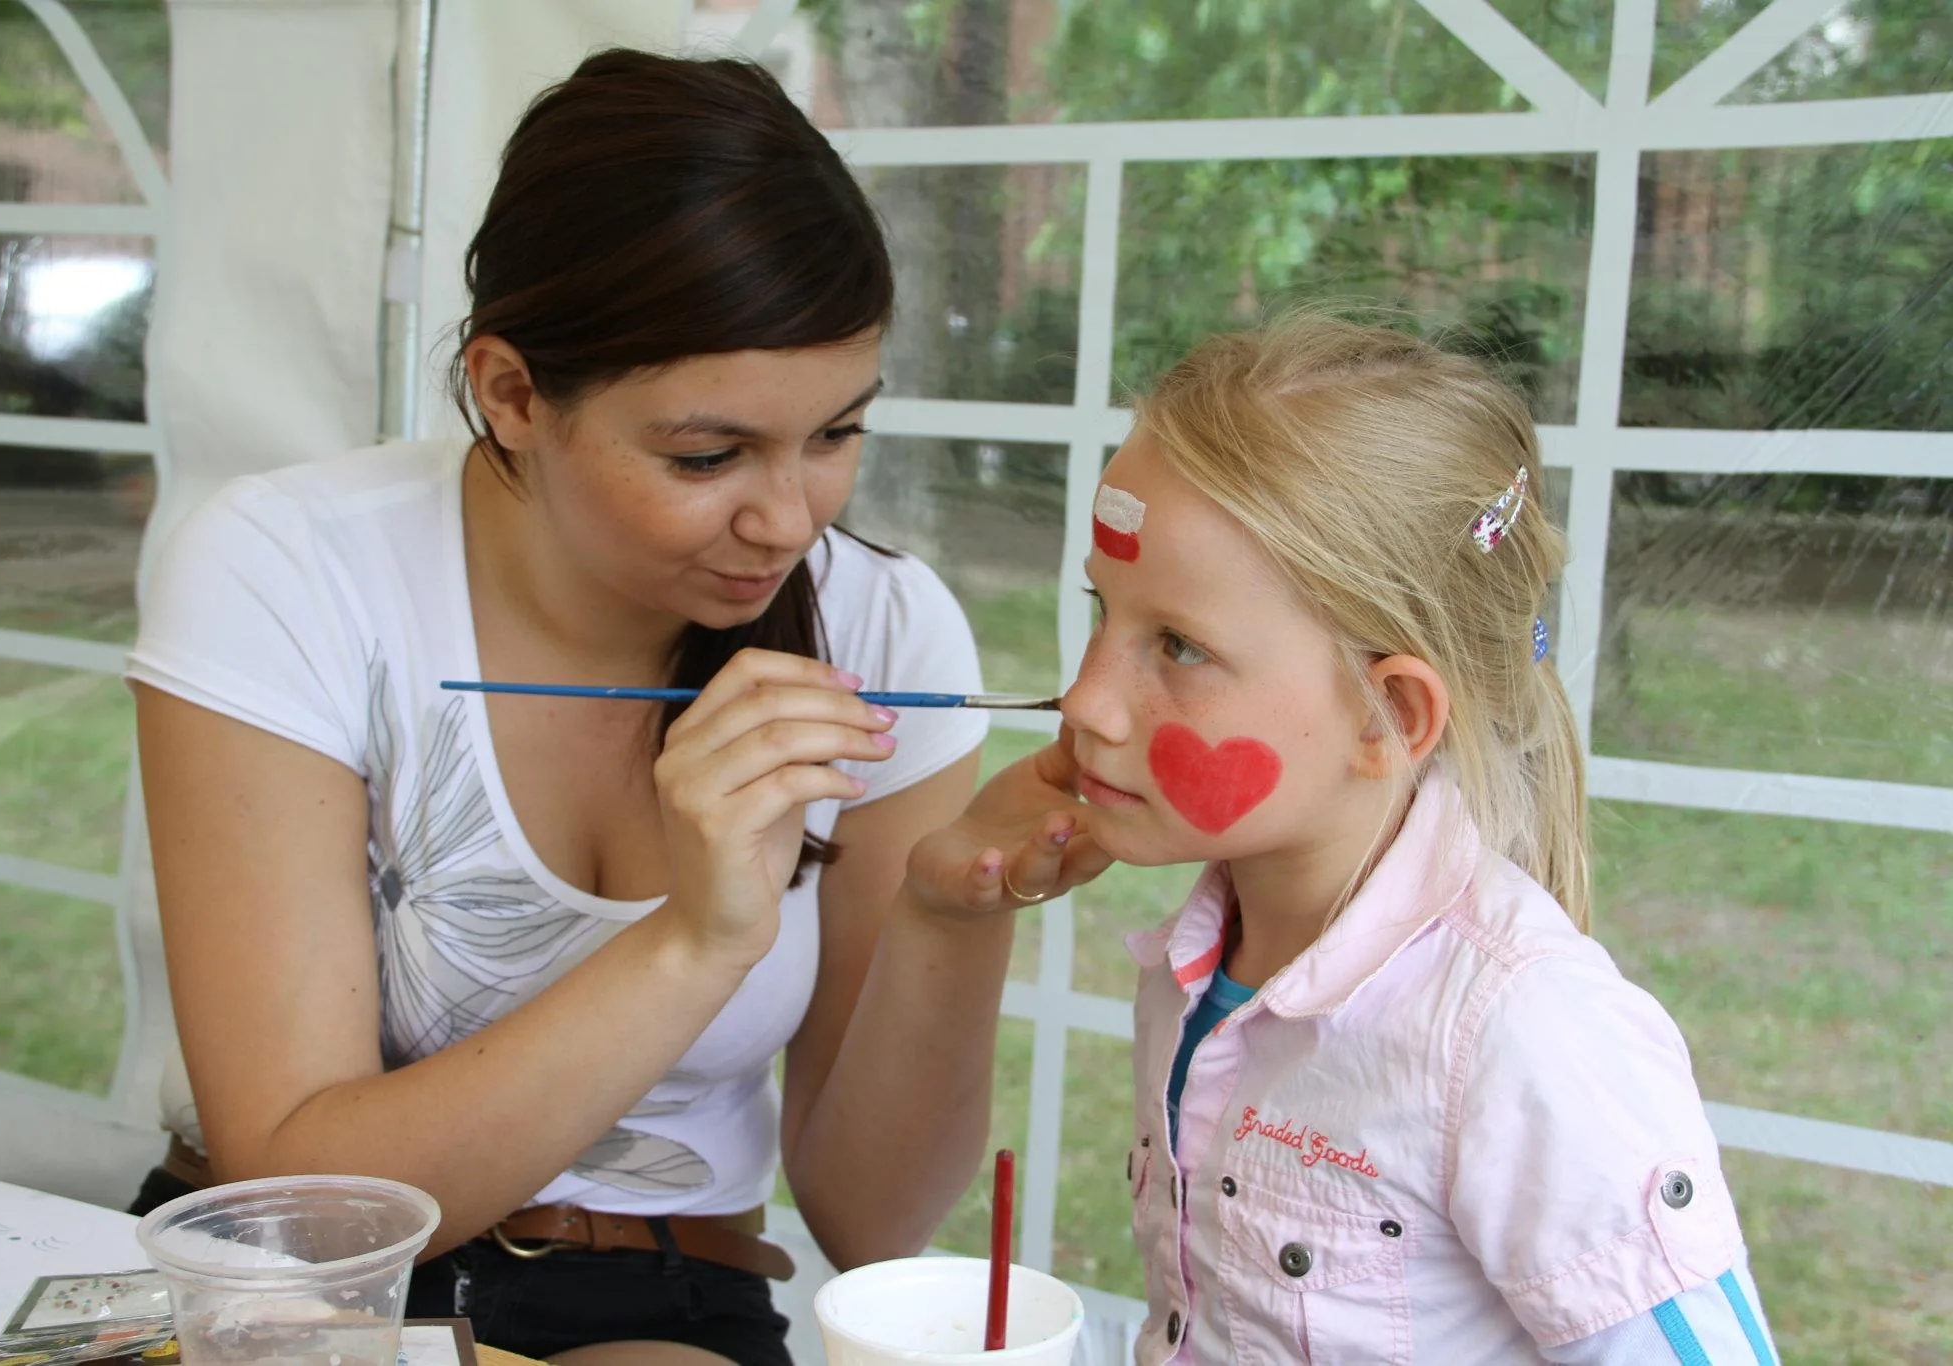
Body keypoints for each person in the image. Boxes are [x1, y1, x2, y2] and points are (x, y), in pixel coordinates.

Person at [126, 49, 1107, 1366]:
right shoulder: (288, 572)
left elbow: (872, 1224)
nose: (790, 520)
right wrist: (697, 938)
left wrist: (949, 908)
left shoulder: (883, 627)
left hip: (659, 1299)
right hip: (311, 1288)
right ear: (512, 393)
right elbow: (311, 1195)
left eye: (835, 432)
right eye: (707, 455)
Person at [1066, 313, 1783, 1363]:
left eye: (1176, 644)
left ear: (1388, 716)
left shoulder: (1521, 1034)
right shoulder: (1194, 967)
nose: (1084, 699)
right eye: (1100, 610)